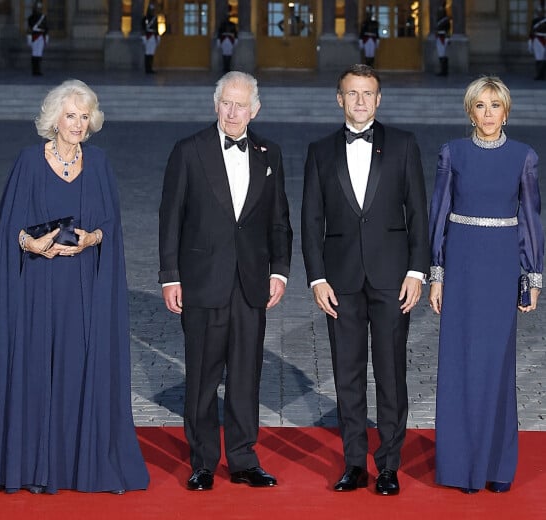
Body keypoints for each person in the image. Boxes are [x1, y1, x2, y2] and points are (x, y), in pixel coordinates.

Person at [0, 80, 150, 497]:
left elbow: (111, 227)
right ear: (54, 119)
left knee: (76, 368)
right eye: (71, 116)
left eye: (84, 117)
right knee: (35, 369)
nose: (78, 124)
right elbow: (9, 230)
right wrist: (29, 243)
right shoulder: (28, 162)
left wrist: (90, 239)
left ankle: (75, 465)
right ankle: (32, 464)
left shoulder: (99, 163)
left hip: (82, 288)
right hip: (36, 284)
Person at [159, 71, 293, 492]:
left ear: (255, 110)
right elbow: (170, 220)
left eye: (241, 105)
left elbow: (279, 221)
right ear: (216, 105)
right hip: (202, 281)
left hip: (251, 282)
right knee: (201, 374)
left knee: (246, 374)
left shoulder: (271, 153)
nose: (233, 112)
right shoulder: (189, 151)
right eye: (226, 103)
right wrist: (169, 277)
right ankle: (202, 461)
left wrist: (280, 271)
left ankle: (243, 458)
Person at [301, 64, 429, 496]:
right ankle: (354, 462)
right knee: (347, 375)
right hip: (340, 282)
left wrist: (417, 271)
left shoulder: (404, 145)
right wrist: (317, 278)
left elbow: (419, 216)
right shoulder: (319, 151)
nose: (359, 101)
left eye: (367, 94)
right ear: (339, 99)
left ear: (379, 99)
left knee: (391, 373)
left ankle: (389, 464)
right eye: (352, 93)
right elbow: (310, 220)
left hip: (394, 279)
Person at [429, 76, 544, 494]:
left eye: (496, 105)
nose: (489, 113)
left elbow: (531, 219)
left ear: (507, 110)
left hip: (499, 268)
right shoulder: (452, 153)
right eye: (480, 105)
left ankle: (496, 465)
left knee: (496, 365)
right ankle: (459, 467)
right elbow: (439, 215)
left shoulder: (523, 157)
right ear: (469, 111)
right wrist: (436, 275)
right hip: (460, 266)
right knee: (459, 362)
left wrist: (531, 277)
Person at [27, 1, 48, 76]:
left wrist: (46, 35)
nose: (38, 9)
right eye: (37, 8)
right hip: (35, 36)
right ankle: (34, 70)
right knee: (34, 53)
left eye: (39, 8)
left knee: (39, 54)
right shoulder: (31, 18)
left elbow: (46, 27)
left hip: (41, 37)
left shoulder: (43, 17)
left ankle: (38, 70)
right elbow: (30, 28)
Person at [142, 3, 160, 74]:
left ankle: (150, 68)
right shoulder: (145, 19)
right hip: (147, 36)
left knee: (151, 53)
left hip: (152, 36)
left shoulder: (154, 18)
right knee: (147, 53)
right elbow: (143, 28)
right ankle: (147, 68)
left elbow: (157, 28)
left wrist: (157, 36)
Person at [529, 8, 546, 80]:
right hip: (538, 40)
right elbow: (532, 32)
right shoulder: (535, 21)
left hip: (545, 38)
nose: (540, 13)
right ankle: (539, 74)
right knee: (539, 58)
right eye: (539, 12)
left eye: (541, 12)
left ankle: (543, 75)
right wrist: (530, 42)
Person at [435, 2, 451, 76]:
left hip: (443, 38)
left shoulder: (445, 20)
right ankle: (442, 70)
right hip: (439, 37)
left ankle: (444, 71)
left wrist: (448, 39)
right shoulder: (439, 20)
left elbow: (448, 30)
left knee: (443, 54)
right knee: (440, 54)